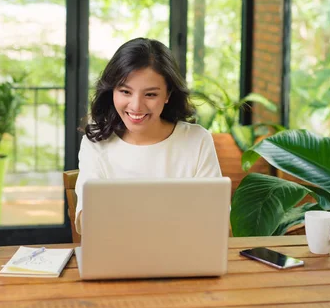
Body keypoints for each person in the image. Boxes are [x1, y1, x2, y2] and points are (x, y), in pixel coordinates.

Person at [75, 37, 221, 234]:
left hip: (184, 259)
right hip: (117, 258)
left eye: (150, 94)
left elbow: (214, 219)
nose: (136, 106)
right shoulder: (96, 144)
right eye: (125, 91)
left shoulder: (197, 141)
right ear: (112, 91)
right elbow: (88, 222)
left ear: (168, 94)